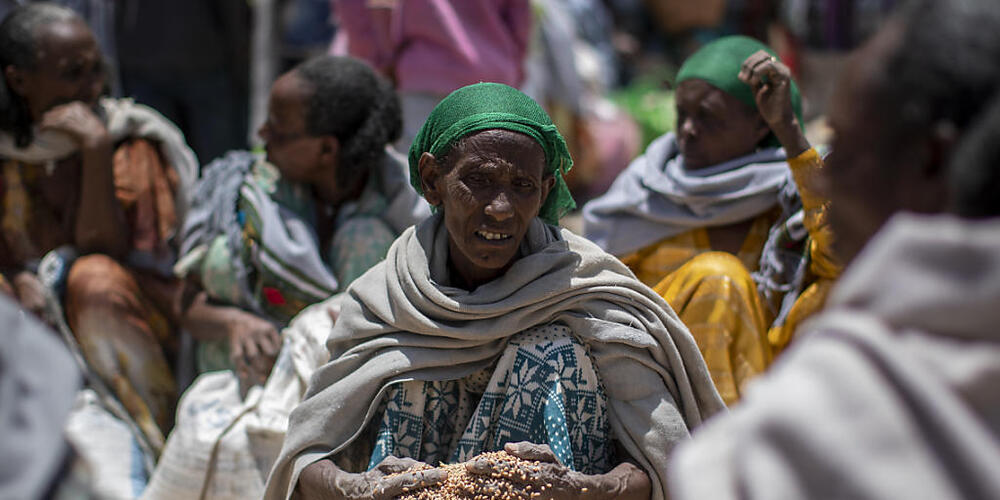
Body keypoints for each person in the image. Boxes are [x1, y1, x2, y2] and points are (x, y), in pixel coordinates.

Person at [263, 82, 725, 500]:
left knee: (552, 352)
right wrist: (357, 488)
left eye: (522, 187)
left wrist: (584, 490)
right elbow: (307, 459)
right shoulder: (386, 300)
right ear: (432, 180)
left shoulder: (588, 293)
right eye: (478, 181)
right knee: (406, 376)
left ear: (545, 191)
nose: (501, 209)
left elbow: (665, 458)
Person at [668, 1, 1000, 498]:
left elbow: (830, 254)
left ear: (930, 161)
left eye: (841, 145)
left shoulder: (816, 422)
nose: (825, 174)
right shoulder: (639, 200)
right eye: (682, 116)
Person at [582, 36, 838, 404]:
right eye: (682, 113)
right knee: (718, 278)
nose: (687, 129)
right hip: (660, 389)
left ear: (761, 125)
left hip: (768, 382)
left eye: (708, 117)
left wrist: (792, 135)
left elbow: (841, 257)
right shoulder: (644, 193)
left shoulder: (789, 194)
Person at [0, 3, 198, 453]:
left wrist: (93, 148)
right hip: (29, 335)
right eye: (73, 74)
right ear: (18, 81)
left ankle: (153, 444)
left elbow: (104, 247)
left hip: (121, 324)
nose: (91, 88)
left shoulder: (128, 140)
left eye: (96, 71)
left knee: (94, 278)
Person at [175, 55, 430, 385]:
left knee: (366, 239)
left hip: (355, 389)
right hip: (241, 384)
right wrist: (233, 323)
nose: (262, 133)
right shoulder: (244, 194)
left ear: (326, 149)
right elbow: (184, 302)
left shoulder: (406, 215)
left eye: (278, 131)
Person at [330, 0, 533, 149]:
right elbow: (520, 18)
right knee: (487, 179)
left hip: (419, 74)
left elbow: (356, 10)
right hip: (491, 77)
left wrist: (379, 61)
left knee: (422, 183)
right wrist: (513, 66)